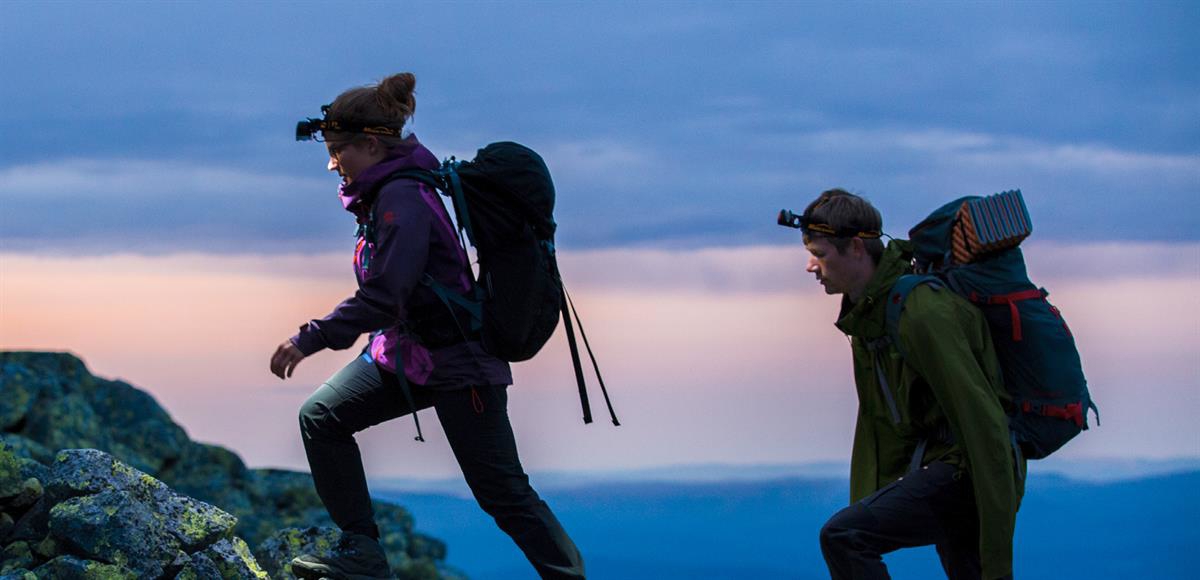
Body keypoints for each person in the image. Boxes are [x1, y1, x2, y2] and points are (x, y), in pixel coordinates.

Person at [269, 73, 585, 580]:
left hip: (460, 365)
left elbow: (386, 294)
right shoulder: (387, 195)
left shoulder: (404, 199)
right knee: (322, 417)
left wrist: (311, 337)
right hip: (406, 355)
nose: (331, 163)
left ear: (371, 144)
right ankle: (364, 555)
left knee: (504, 495)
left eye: (337, 150)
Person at [797, 189, 1023, 579]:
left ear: (854, 247)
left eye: (819, 253)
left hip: (971, 471)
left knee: (844, 535)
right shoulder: (870, 318)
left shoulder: (920, 312)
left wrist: (997, 539)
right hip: (947, 469)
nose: (810, 266)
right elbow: (884, 425)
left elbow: (981, 420)